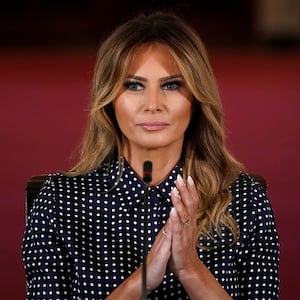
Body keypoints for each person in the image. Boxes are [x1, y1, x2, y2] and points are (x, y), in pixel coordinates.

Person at [22, 11, 280, 300]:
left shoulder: (245, 199)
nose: (153, 104)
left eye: (171, 85)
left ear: (196, 100)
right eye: (134, 85)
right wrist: (140, 282)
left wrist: (192, 270)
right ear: (109, 100)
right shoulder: (59, 201)